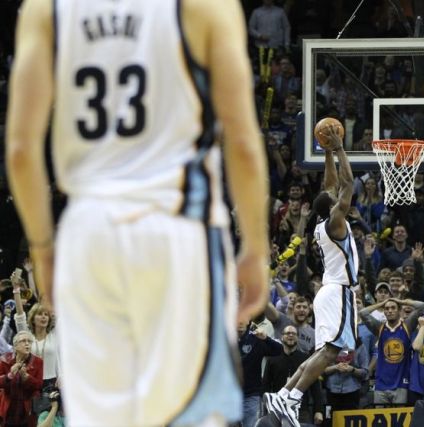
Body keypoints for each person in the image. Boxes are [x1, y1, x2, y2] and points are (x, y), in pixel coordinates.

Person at [5, 0, 269, 426]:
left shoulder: (46, 10)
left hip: (91, 231)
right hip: (181, 231)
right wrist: (255, 247)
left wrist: (42, 244)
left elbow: (20, 150)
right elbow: (241, 140)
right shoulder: (207, 7)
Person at [264, 126, 358, 427]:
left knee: (322, 353)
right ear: (333, 207)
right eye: (334, 198)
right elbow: (348, 183)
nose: (334, 193)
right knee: (330, 353)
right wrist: (341, 149)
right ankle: (292, 398)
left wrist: (328, 152)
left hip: (329, 290)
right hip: (338, 291)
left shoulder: (321, 222)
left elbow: (331, 184)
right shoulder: (335, 222)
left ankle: (284, 394)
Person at [0, 330, 44, 427]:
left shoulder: (38, 362)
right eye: (23, 341)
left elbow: (39, 385)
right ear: (15, 346)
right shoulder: (4, 360)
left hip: (27, 408)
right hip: (9, 407)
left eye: (29, 341)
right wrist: (10, 375)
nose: (27, 343)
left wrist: (27, 378)